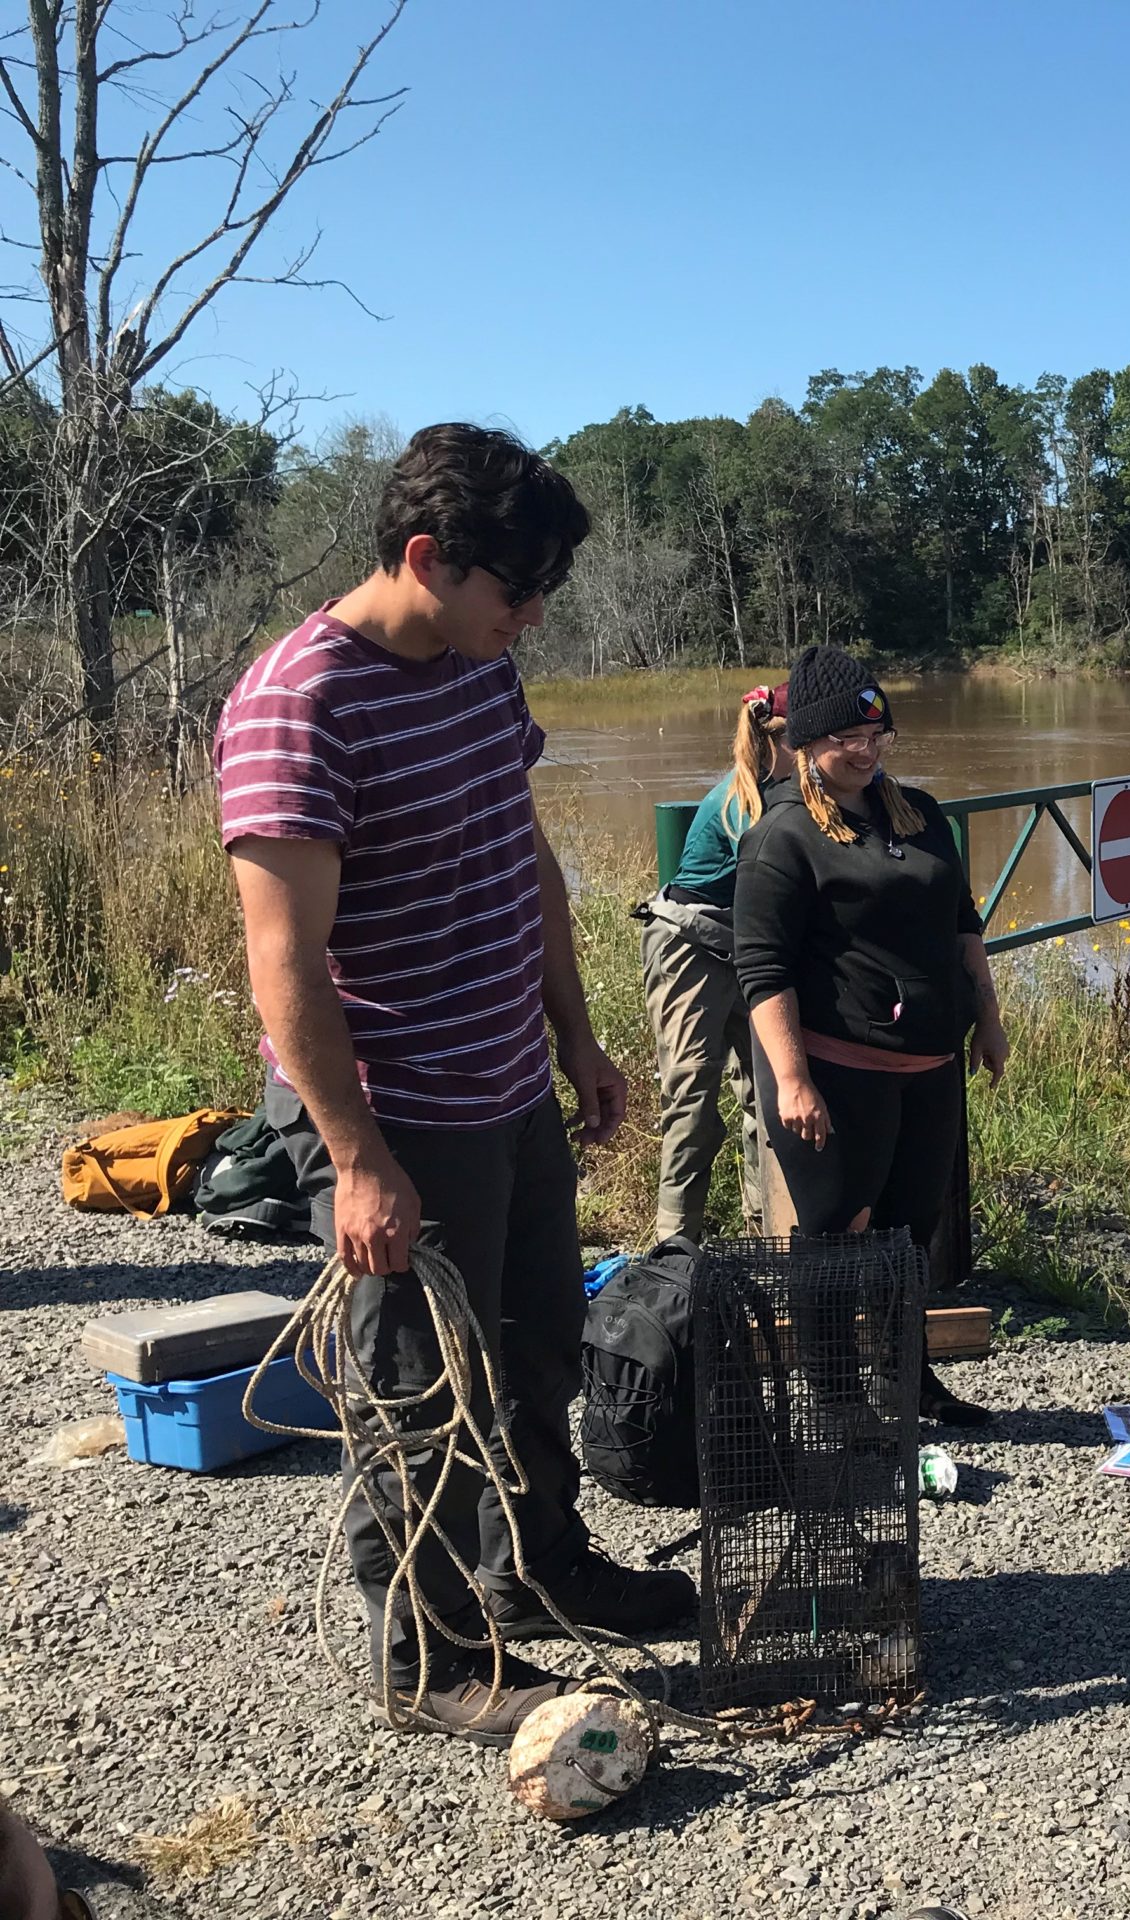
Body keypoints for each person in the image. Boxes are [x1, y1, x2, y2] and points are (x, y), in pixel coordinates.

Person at [216, 424, 695, 1745]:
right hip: (397, 1108)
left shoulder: (481, 670)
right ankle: (420, 1656)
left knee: (540, 1348)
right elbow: (283, 957)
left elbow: (525, 865)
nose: (532, 617)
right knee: (421, 1391)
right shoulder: (297, 703)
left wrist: (578, 1041)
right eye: (516, 591)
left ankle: (536, 1571)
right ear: (428, 559)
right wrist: (358, 1156)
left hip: (507, 1086)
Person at [732, 646, 1007, 1426]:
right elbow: (762, 969)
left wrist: (987, 1021)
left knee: (910, 1230)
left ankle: (904, 1375)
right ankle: (836, 1396)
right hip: (835, 1066)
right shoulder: (782, 835)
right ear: (805, 742)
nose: (866, 749)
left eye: (877, 731)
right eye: (847, 737)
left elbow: (964, 925)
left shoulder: (918, 814)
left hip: (929, 1062)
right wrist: (791, 1080)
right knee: (837, 1235)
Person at [636, 683, 790, 1242]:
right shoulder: (742, 803)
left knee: (767, 1097)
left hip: (740, 947)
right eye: (809, 740)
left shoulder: (785, 791)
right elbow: (774, 894)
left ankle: (767, 1234)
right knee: (692, 1100)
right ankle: (674, 1248)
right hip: (688, 949)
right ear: (779, 741)